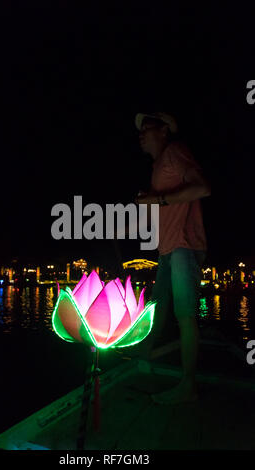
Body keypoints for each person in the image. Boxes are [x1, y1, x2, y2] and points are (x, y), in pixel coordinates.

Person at [134, 111, 211, 405]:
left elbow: (202, 187)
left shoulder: (175, 152)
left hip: (183, 246)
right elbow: (158, 209)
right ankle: (143, 354)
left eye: (148, 127)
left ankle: (188, 385)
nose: (141, 132)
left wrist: (155, 199)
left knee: (185, 315)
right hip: (166, 250)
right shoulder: (158, 166)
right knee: (157, 309)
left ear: (164, 130)